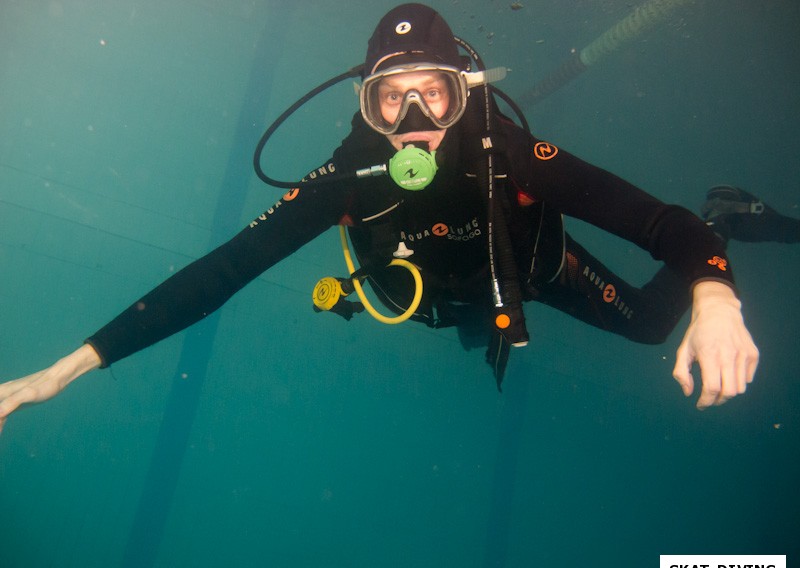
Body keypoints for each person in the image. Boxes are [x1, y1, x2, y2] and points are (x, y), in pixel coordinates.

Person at [5, 2, 797, 435]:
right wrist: (60, 373)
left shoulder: (508, 153)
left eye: (433, 92)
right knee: (467, 325)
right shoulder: (346, 178)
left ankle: (726, 217)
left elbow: (658, 224)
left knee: (657, 326)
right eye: (392, 96)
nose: (415, 114)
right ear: (369, 107)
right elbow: (221, 274)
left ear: (463, 91)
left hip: (534, 271)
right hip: (445, 293)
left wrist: (715, 293)